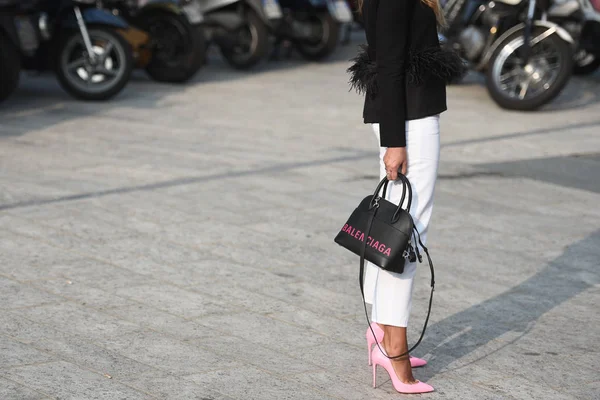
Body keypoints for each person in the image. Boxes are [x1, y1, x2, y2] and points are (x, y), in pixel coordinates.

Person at [347, 0, 465, 394]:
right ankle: (395, 349)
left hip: (404, 116)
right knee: (407, 235)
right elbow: (391, 66)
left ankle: (381, 329)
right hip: (409, 121)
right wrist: (394, 142)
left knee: (393, 228)